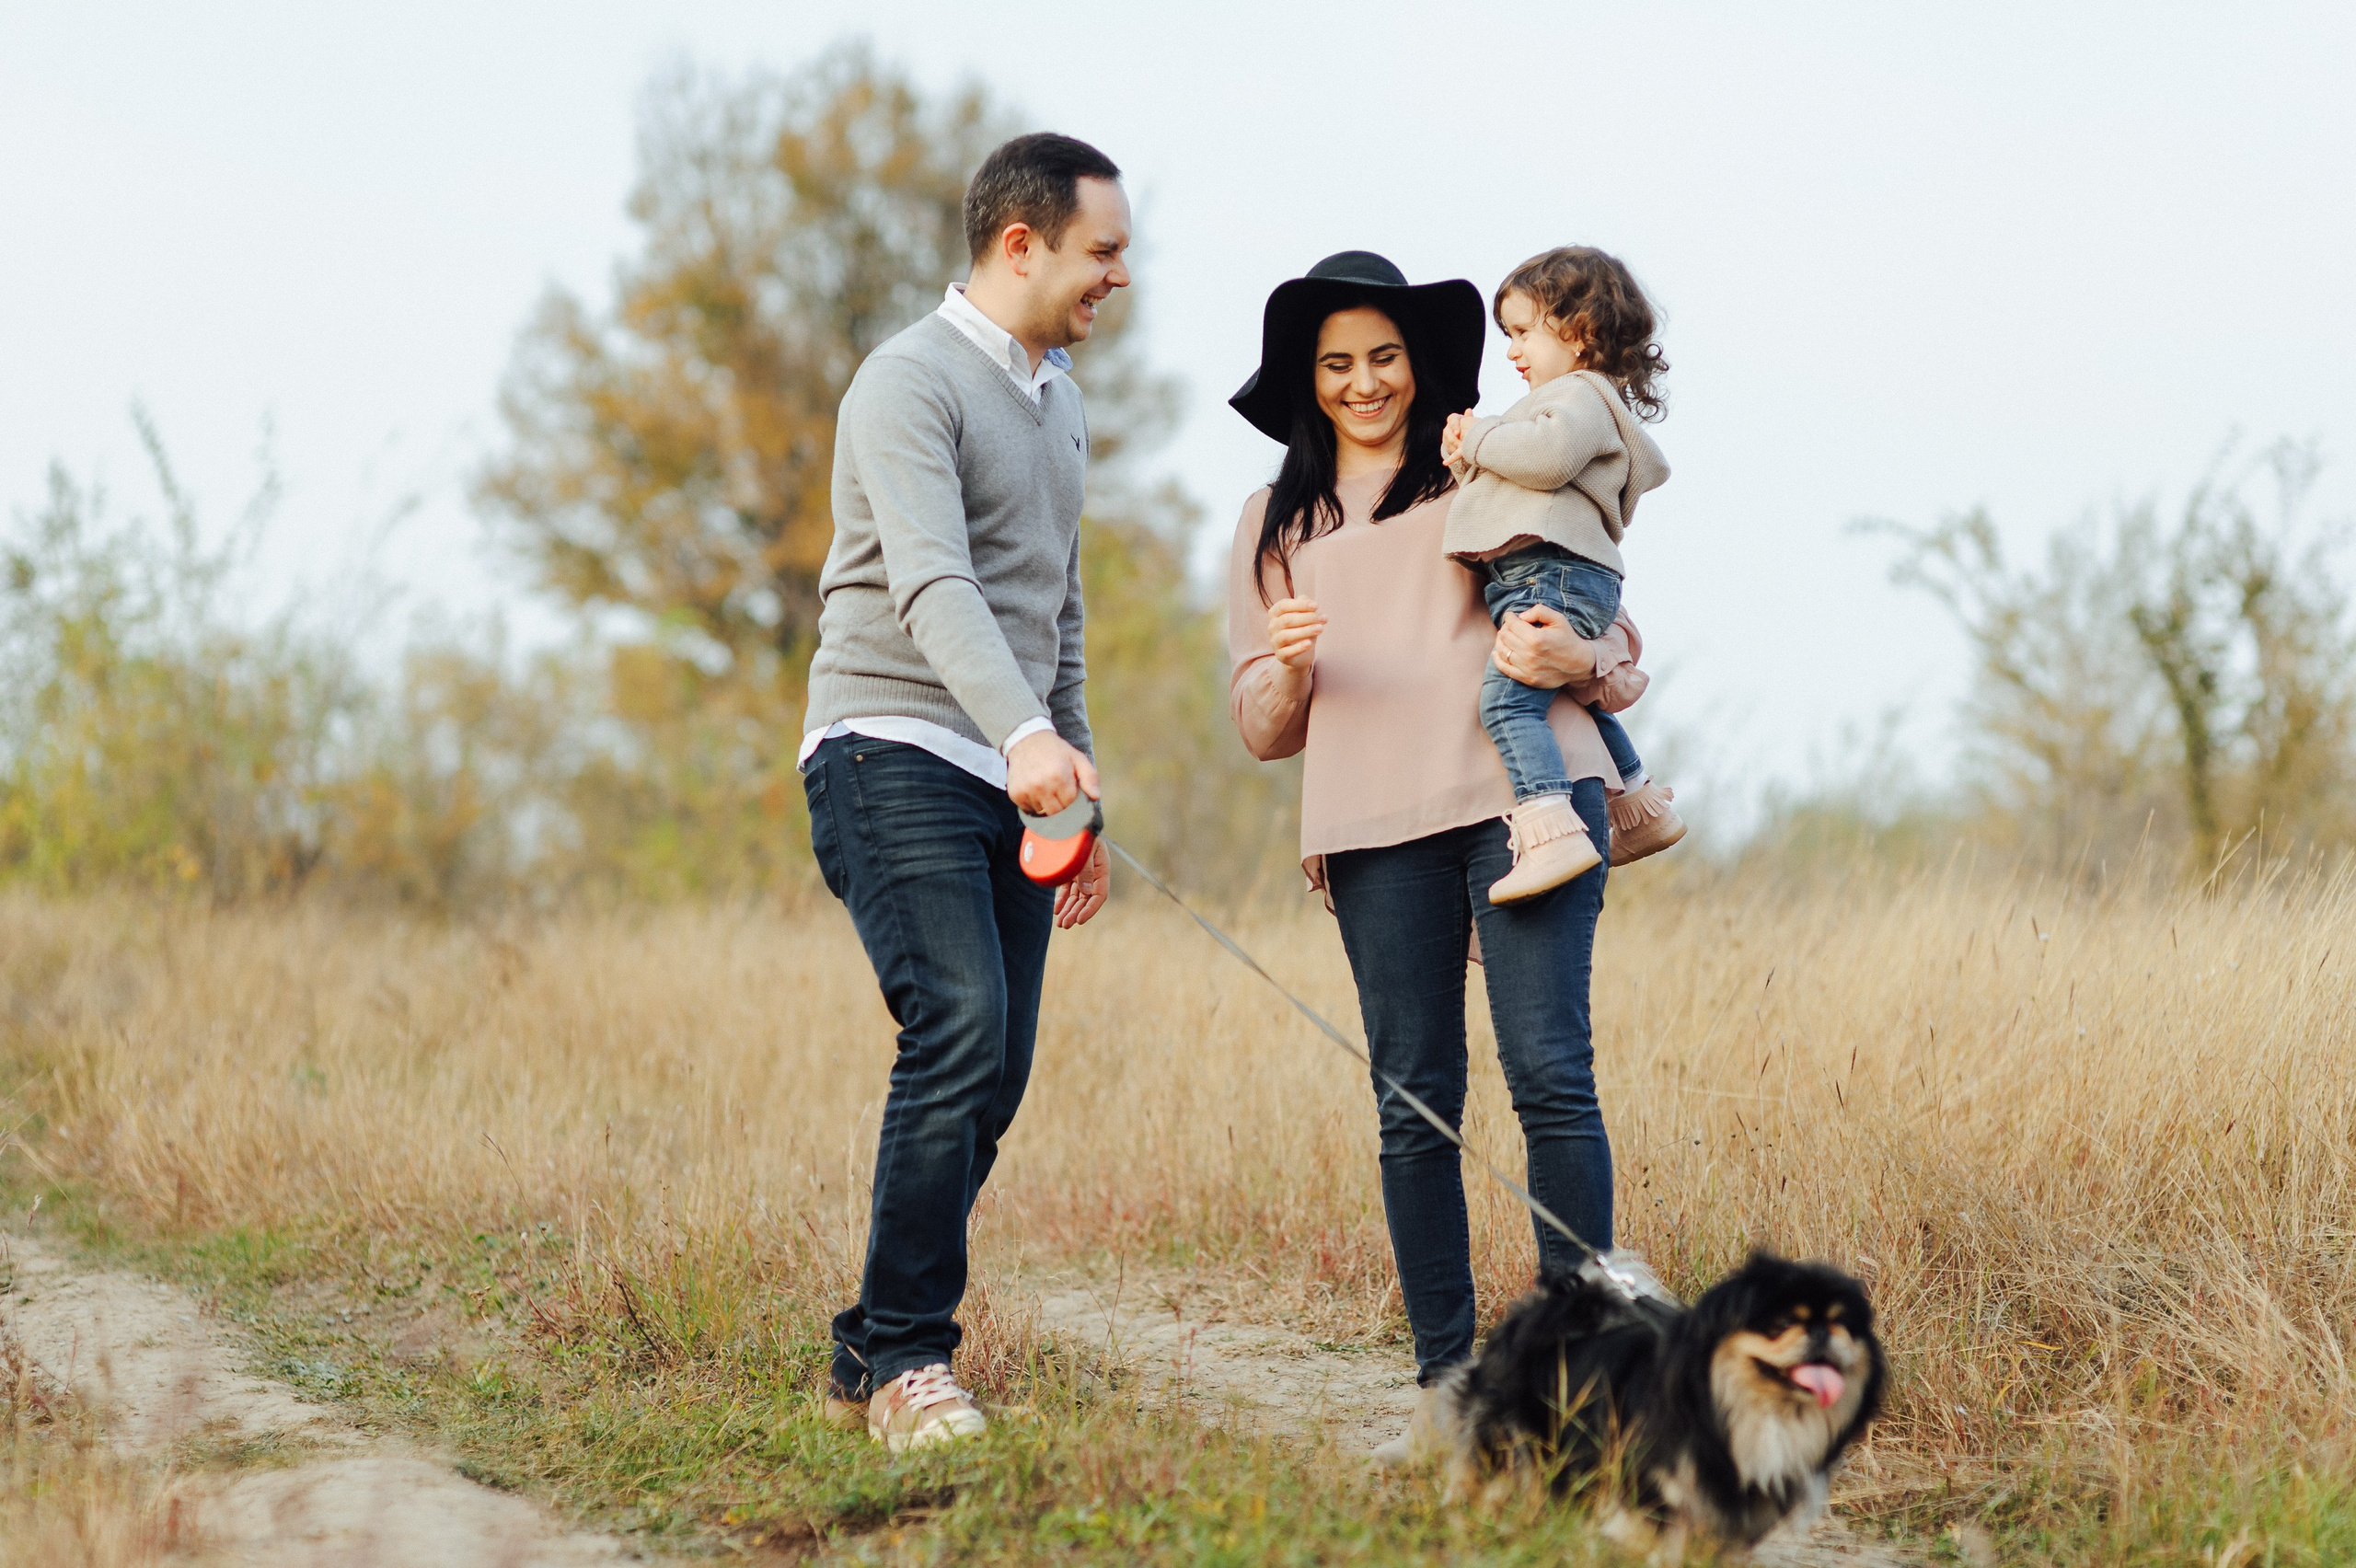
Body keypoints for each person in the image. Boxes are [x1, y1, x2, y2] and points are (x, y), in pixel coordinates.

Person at [1224, 250, 1648, 1446]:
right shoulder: (1275, 524)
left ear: (1418, 365)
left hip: (1529, 798)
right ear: (1309, 381)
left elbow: (1606, 619)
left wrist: (1591, 665)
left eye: (1385, 358)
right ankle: (1450, 1393)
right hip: (1369, 826)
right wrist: (1292, 664)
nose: (1366, 384)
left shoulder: (1486, 463)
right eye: (1339, 364)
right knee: (1415, 1104)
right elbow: (1261, 727)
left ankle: (1581, 1388)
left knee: (1551, 1074)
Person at [800, 132, 1127, 1452]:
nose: (1118, 278)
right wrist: (1018, 735)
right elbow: (933, 584)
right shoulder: (906, 381)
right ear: (1020, 244)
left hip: (1011, 771)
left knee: (996, 1071)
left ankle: (868, 1344)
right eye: (1102, 252)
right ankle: (910, 1371)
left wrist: (1073, 784)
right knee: (957, 1023)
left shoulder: (1060, 402)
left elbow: (1058, 610)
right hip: (889, 747)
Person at [1440, 246, 1685, 904]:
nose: (1513, 351)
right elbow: (1525, 487)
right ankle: (1638, 806)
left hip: (1547, 575)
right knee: (1567, 694)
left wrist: (1480, 438)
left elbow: (1547, 460)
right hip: (1554, 573)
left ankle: (1551, 833)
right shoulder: (1574, 400)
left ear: (1578, 332)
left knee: (1505, 701)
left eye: (1524, 332)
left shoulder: (1575, 396)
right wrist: (1469, 464)